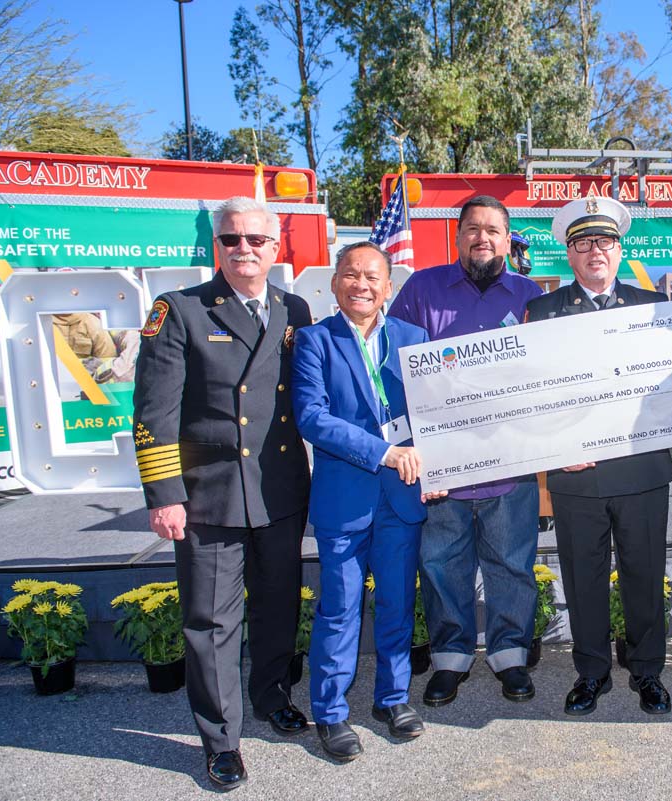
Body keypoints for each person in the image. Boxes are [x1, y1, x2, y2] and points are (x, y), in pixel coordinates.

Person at [132, 196, 313, 789]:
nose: (244, 249)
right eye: (231, 239)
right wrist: (163, 494)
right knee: (211, 623)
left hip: (280, 489)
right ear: (217, 246)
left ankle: (271, 697)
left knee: (278, 603)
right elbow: (152, 412)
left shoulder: (296, 310)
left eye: (256, 240)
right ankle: (220, 739)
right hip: (207, 494)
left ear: (275, 247)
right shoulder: (179, 310)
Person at [387, 195, 545, 707]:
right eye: (472, 229)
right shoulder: (420, 289)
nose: (482, 238)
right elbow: (393, 371)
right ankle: (450, 659)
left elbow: (549, 376)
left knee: (512, 564)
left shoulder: (529, 295)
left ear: (507, 238)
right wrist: (411, 449)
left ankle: (510, 656)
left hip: (510, 464)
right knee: (442, 564)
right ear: (457, 237)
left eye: (493, 230)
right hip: (442, 467)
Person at [291, 242, 443, 761]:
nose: (362, 285)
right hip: (345, 499)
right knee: (340, 608)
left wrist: (441, 464)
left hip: (401, 498)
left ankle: (392, 699)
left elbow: (434, 412)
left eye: (372, 277)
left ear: (388, 287)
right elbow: (312, 417)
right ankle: (330, 712)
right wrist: (383, 452)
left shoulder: (414, 339)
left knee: (399, 603)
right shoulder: (314, 341)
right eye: (351, 275)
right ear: (335, 283)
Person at [525, 197, 672, 717]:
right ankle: (591, 674)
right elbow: (531, 393)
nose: (595, 251)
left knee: (644, 572)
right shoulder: (542, 313)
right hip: (575, 475)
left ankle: (648, 672)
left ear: (619, 248)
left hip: (641, 470)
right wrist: (554, 445)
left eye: (604, 241)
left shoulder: (653, 307)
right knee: (582, 578)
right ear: (568, 253)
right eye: (583, 242)